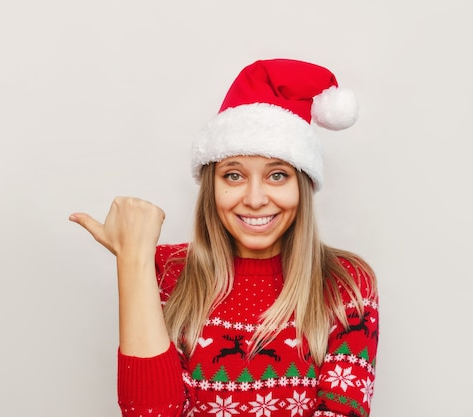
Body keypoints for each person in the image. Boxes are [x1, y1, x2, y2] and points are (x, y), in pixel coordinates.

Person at [69, 58, 379, 417]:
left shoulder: (347, 283)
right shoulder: (166, 273)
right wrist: (133, 259)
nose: (255, 198)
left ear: (303, 186)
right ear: (211, 187)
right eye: (234, 175)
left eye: (277, 175)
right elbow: (151, 413)